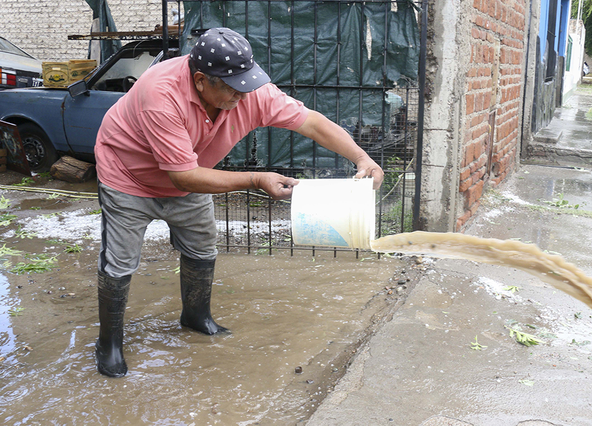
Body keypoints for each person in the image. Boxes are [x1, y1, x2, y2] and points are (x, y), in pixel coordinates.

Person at [93, 27, 384, 377]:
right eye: (232, 86)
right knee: (121, 262)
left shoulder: (250, 92)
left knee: (202, 249)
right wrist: (256, 179)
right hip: (128, 175)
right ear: (200, 80)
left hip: (191, 175)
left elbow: (312, 123)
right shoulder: (161, 93)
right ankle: (108, 343)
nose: (243, 94)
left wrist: (361, 157)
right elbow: (183, 176)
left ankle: (196, 316)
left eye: (247, 82)